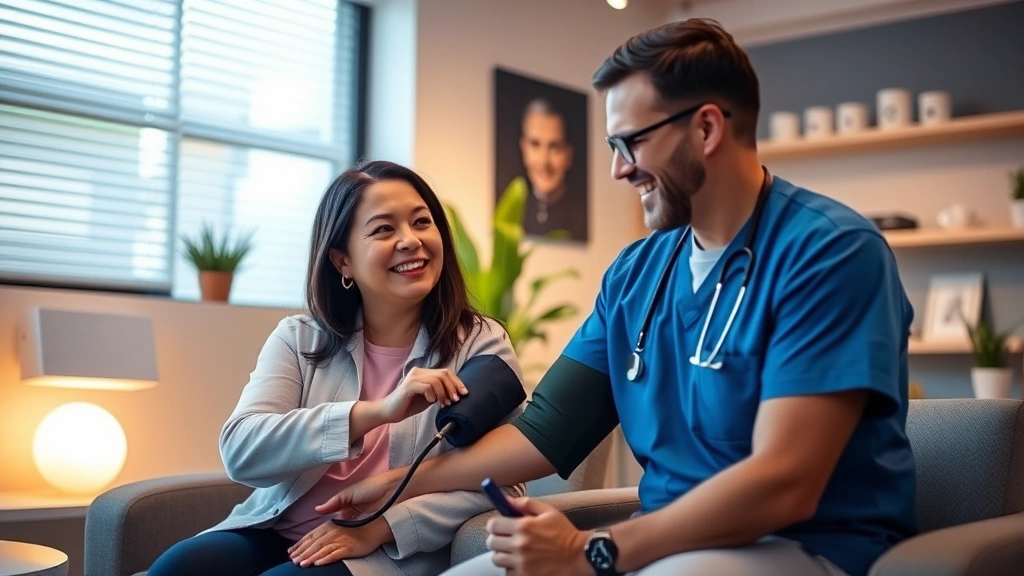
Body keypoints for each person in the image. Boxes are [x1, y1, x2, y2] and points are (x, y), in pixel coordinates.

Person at [318, 19, 917, 576]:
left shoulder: (830, 252)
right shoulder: (637, 272)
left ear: (706, 128)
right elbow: (547, 431)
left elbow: (783, 483)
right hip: (668, 542)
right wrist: (401, 481)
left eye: (630, 142)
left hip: (804, 546)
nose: (617, 171)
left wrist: (593, 551)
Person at [147, 160, 526, 576]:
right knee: (175, 568)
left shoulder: (479, 344)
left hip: (384, 550)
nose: (410, 241)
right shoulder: (300, 337)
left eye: (422, 222)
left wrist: (380, 527)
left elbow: (506, 480)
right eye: (384, 229)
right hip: (276, 528)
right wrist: (377, 412)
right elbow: (241, 449)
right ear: (342, 261)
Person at [517, 97, 588, 242]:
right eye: (535, 145)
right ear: (524, 149)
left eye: (554, 147)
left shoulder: (580, 216)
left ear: (568, 155)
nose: (544, 161)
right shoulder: (515, 211)